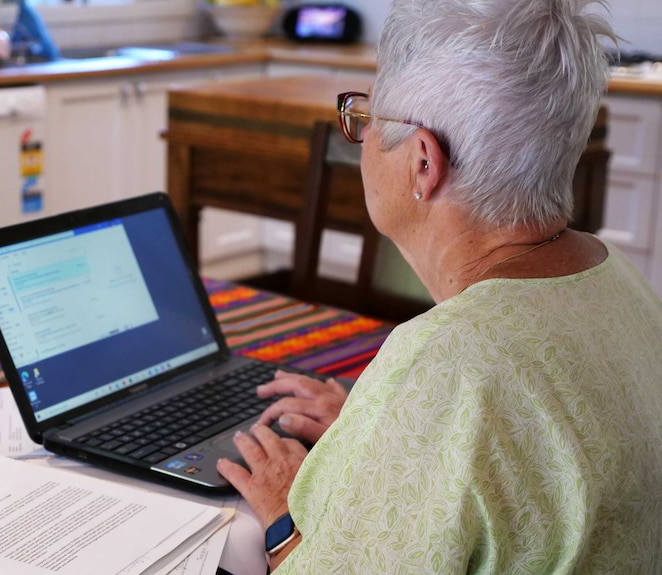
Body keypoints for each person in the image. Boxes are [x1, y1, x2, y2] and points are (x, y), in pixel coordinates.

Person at [216, 0, 662, 572]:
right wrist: (383, 431)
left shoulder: (450, 359)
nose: (363, 134)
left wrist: (282, 515)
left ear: (424, 162)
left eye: (371, 116)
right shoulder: (618, 276)